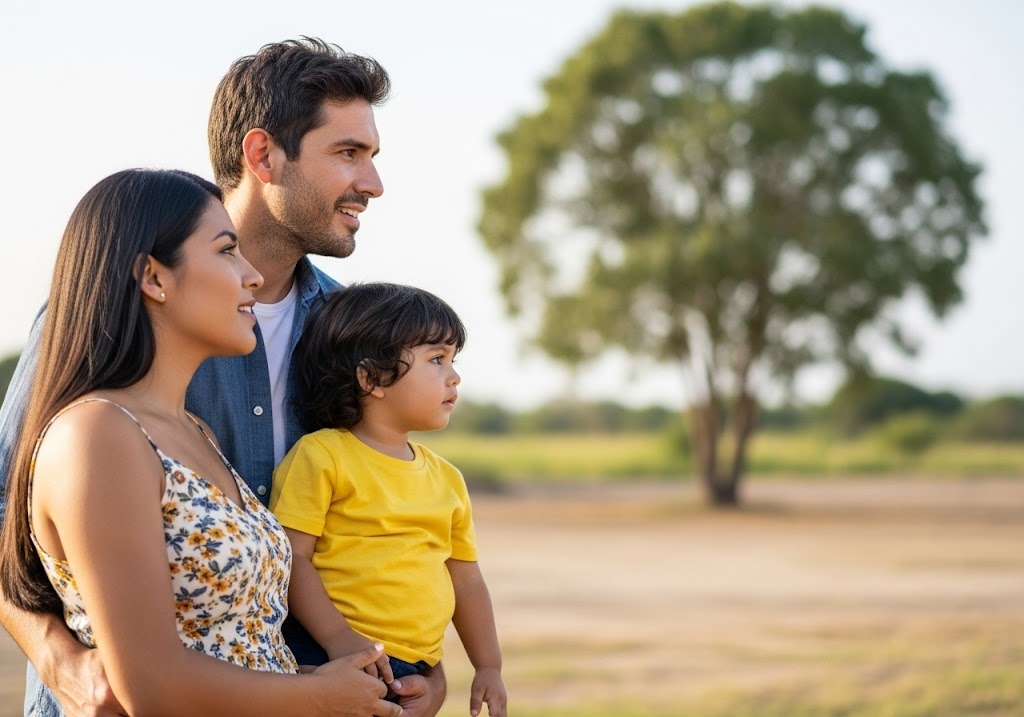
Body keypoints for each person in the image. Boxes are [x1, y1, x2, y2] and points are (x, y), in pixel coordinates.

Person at [0, 38, 446, 716]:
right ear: (263, 154)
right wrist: (62, 659)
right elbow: (7, 501)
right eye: (348, 153)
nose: (373, 183)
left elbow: (380, 522)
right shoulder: (98, 345)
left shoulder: (354, 334)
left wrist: (416, 667)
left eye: (372, 157)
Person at [271, 283, 507, 717]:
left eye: (453, 361)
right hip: (332, 657)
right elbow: (291, 558)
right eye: (437, 359)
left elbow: (467, 580)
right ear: (372, 378)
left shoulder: (448, 479)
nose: (454, 377)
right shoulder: (323, 456)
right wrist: (338, 637)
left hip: (412, 670)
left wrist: (487, 665)